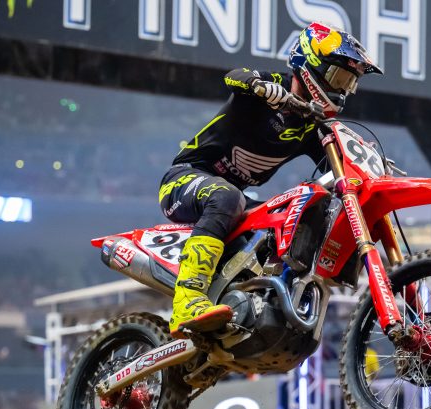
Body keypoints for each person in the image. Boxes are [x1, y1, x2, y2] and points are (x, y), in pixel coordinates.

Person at [158, 22, 382, 338]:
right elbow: (234, 76)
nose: (343, 90)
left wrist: (365, 163)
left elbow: (340, 171)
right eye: (339, 78)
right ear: (312, 65)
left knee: (291, 215)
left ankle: (256, 305)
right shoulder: (272, 86)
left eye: (350, 83)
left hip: (235, 199)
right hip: (184, 179)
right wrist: (261, 88)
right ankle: (187, 300)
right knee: (227, 196)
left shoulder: (311, 127)